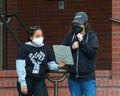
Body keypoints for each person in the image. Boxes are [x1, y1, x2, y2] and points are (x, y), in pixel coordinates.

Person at [16, 26, 65, 96]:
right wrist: (23, 83)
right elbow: (20, 66)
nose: (40, 37)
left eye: (42, 35)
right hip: (27, 79)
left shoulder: (46, 49)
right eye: (37, 36)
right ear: (31, 37)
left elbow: (51, 63)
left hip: (39, 80)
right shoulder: (24, 48)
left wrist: (58, 66)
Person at [62, 12, 98, 96]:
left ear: (85, 25)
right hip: (73, 78)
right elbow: (62, 54)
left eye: (79, 24)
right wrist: (72, 47)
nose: (76, 26)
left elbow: (92, 53)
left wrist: (82, 42)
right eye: (74, 24)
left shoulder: (92, 36)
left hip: (88, 78)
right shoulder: (69, 36)